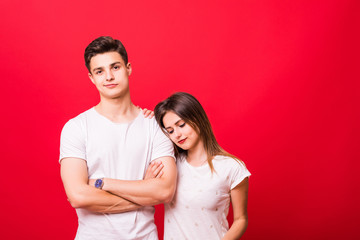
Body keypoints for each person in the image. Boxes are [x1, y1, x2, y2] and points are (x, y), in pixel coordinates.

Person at [59, 36, 177, 240]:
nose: (109, 77)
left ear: (128, 68)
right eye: (99, 71)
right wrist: (143, 192)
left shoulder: (155, 126)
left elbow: (165, 191)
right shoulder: (76, 127)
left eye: (115, 67)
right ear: (91, 78)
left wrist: (102, 183)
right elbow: (78, 196)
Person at [153, 92, 251, 240]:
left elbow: (241, 219)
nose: (177, 134)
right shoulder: (171, 164)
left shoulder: (232, 167)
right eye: (171, 131)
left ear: (197, 118)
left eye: (181, 125)